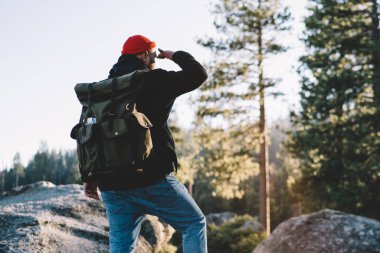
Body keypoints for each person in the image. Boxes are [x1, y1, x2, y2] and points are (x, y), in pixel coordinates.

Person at [83, 35, 208, 253]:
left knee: (121, 246)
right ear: (144, 55)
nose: (156, 58)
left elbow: (90, 135)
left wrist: (89, 177)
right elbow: (198, 74)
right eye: (154, 54)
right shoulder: (153, 80)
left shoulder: (104, 89)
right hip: (150, 177)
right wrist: (174, 55)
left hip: (111, 184)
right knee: (193, 223)